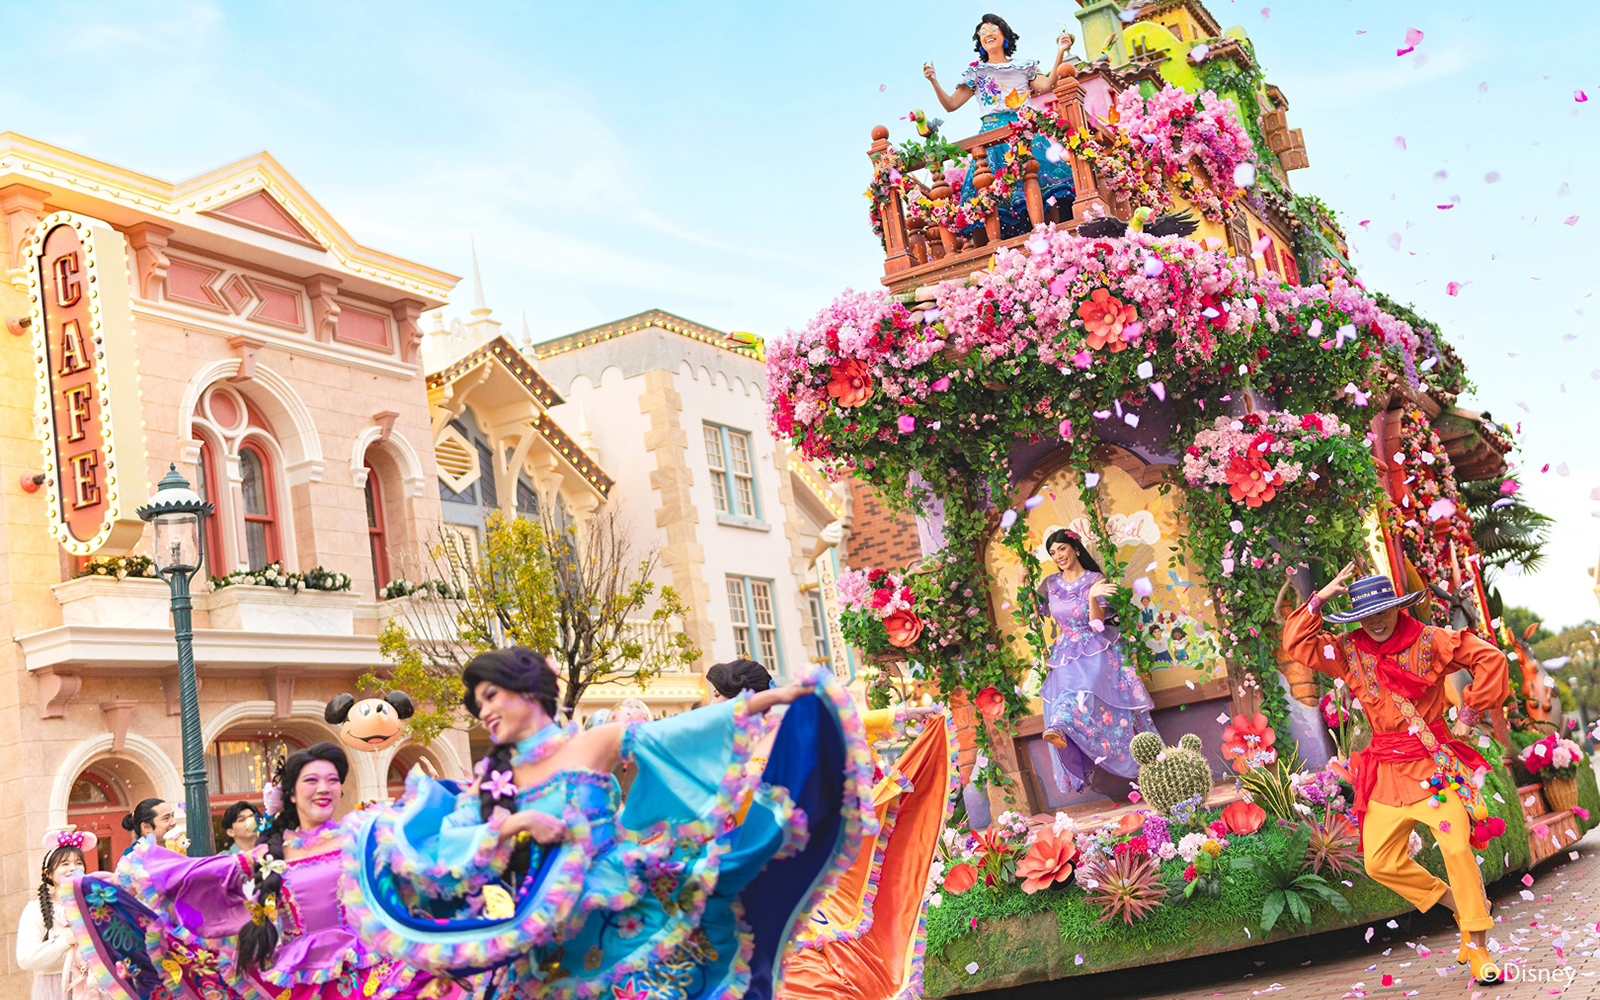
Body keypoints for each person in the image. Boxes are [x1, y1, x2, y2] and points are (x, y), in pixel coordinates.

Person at [341, 646, 875, 999]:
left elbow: (682, 734)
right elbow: (449, 841)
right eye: (476, 703)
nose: (482, 713)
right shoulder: (495, 777)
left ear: (528, 693)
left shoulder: (590, 742)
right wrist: (511, 824)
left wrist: (772, 699)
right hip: (541, 944)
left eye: (490, 698)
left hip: (617, 912)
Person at [65, 743, 462, 999]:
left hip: (370, 970)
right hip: (298, 978)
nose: (324, 787)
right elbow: (195, 878)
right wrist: (125, 884)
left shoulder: (364, 833)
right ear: (291, 793)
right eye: (312, 780)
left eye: (333, 780)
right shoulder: (267, 855)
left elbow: (429, 852)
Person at [1281, 562, 1509, 985]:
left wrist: (1471, 710)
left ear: (1397, 608)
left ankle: (1478, 948)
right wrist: (1318, 600)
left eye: (1381, 612)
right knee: (1381, 862)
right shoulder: (1349, 650)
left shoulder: (1431, 641)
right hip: (1385, 774)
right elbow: (1298, 644)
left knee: (1457, 849)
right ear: (1357, 619)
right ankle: (1458, 901)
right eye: (1366, 616)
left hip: (1432, 773)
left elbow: (1490, 658)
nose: (1375, 622)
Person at [922, 14, 1077, 238]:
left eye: (992, 29)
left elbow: (1046, 85)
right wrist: (934, 81)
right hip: (992, 134)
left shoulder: (1024, 67)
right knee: (993, 192)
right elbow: (951, 104)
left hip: (1023, 129)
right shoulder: (976, 73)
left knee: (1045, 184)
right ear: (980, 43)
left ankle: (1052, 234)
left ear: (1004, 36)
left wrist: (1060, 52)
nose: (987, 34)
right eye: (982, 32)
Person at [1035, 528, 1158, 794]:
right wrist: (1024, 583)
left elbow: (1098, 624)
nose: (1058, 556)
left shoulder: (1095, 579)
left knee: (1087, 695)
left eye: (1062, 549)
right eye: (1053, 552)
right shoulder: (1050, 585)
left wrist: (1092, 595)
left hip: (1095, 649)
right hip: (1065, 652)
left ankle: (1141, 765)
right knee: (1063, 697)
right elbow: (1031, 615)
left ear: (1075, 548)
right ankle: (1059, 728)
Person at [17, 832, 91, 1000]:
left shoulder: (95, 904)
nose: (73, 868)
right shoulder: (35, 910)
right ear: (49, 874)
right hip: (54, 989)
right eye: (64, 864)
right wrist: (66, 941)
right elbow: (25, 958)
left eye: (78, 863)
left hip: (93, 985)